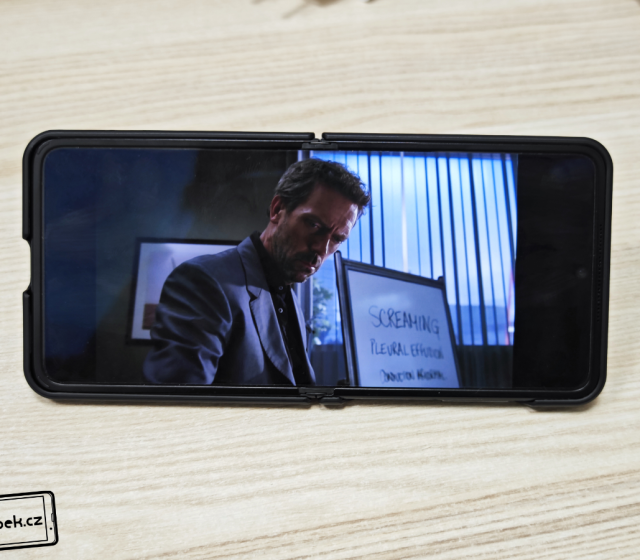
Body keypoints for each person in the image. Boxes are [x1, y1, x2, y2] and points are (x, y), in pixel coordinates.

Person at [143, 158, 371, 386]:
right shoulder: (204, 281)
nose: (321, 249)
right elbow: (180, 402)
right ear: (277, 209)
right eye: (314, 225)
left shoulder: (291, 300)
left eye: (337, 239)